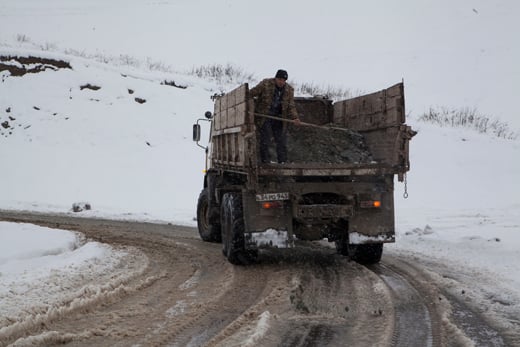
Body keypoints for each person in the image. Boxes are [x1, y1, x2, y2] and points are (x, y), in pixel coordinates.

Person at [249, 69, 301, 164]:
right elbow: (252, 93)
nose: (281, 82)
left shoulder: (289, 90)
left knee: (281, 141)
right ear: (276, 78)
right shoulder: (266, 84)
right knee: (266, 139)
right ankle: (266, 161)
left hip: (279, 118)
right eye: (280, 79)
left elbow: (291, 106)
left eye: (284, 80)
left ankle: (282, 162)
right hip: (265, 116)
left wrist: (295, 118)